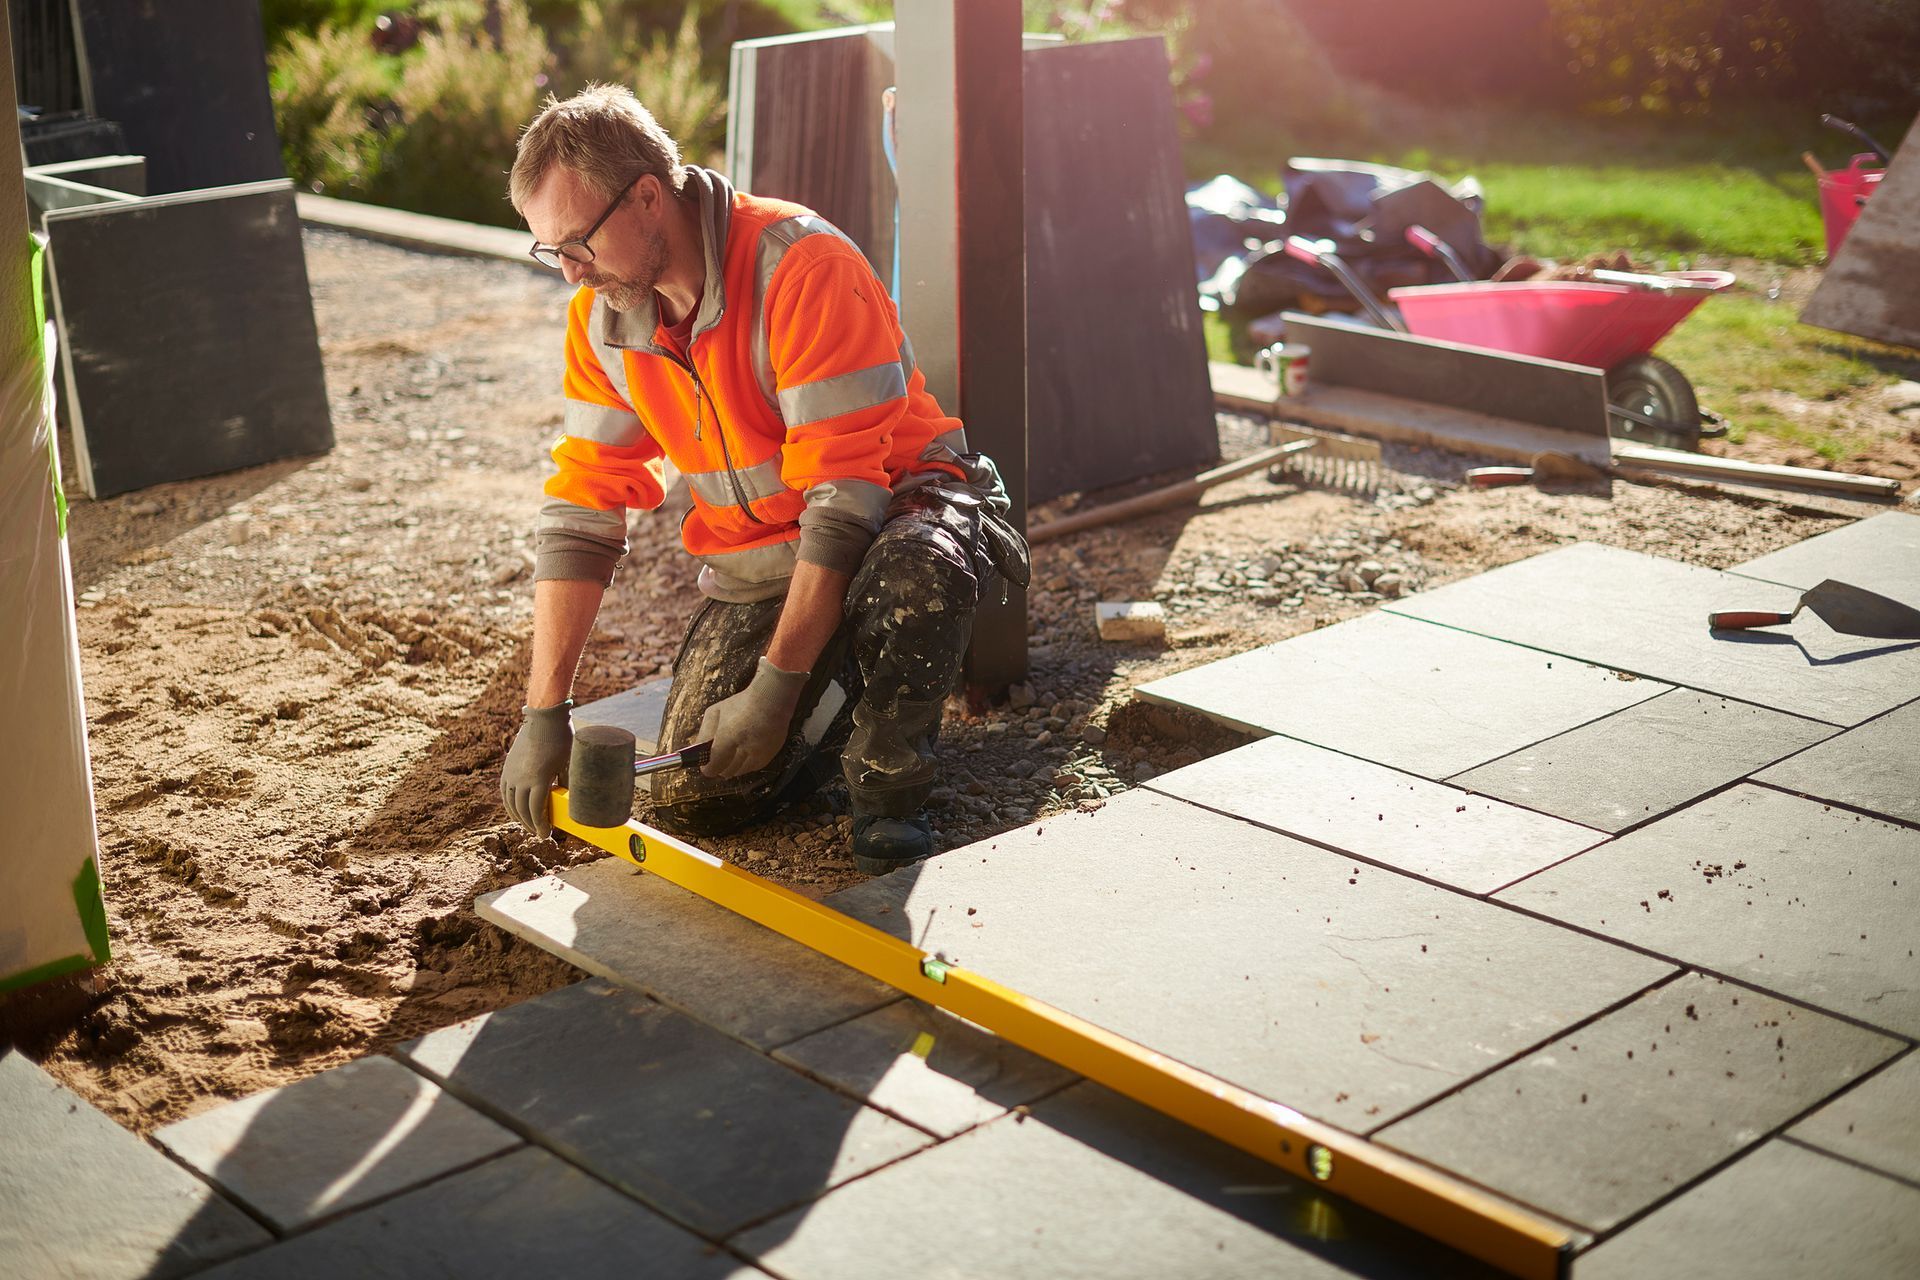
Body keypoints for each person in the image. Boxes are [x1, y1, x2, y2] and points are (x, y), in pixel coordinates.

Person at [497, 85, 1026, 874]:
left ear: (647, 197)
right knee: (701, 796)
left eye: (578, 244)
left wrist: (778, 689)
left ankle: (889, 780)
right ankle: (844, 671)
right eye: (551, 253)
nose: (572, 275)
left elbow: (848, 501)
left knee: (913, 573)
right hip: (768, 558)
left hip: (898, 509)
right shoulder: (604, 318)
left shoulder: (801, 266)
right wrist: (546, 709)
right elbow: (584, 506)